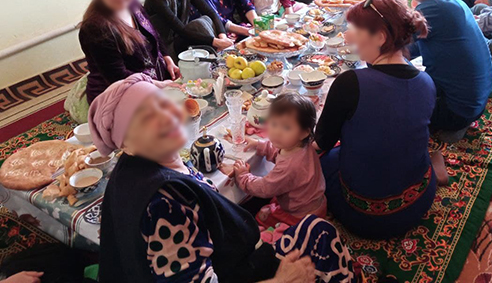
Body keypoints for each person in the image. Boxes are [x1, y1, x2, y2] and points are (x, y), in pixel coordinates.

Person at [89, 74, 356, 283]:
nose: (167, 118)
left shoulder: (138, 167)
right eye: (146, 120)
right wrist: (282, 279)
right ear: (127, 145)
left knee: (316, 230)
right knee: (321, 234)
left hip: (230, 258)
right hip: (237, 272)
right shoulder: (163, 205)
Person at [315, 0, 437, 239]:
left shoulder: (350, 83)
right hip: (421, 197)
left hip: (368, 217)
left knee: (320, 159)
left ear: (380, 37)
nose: (349, 38)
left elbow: (322, 141)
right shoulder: (427, 81)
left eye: (356, 31)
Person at [410, 0, 492, 184]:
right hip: (475, 103)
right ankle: (446, 129)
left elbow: (394, 50)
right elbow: (412, 48)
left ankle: (430, 153)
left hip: (457, 111)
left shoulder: (431, 9)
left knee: (387, 92)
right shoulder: (454, 2)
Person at [78, 0, 179, 105]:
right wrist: (159, 86)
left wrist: (167, 58)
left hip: (150, 82)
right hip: (117, 93)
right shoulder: (95, 29)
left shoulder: (133, 4)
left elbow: (154, 34)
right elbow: (118, 78)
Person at [233, 92, 326, 228]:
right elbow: (279, 150)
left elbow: (265, 188)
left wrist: (243, 177)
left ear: (304, 133)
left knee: (260, 218)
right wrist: (259, 145)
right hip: (316, 202)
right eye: (274, 123)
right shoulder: (301, 145)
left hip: (301, 215)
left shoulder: (288, 167)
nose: (276, 132)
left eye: (286, 127)